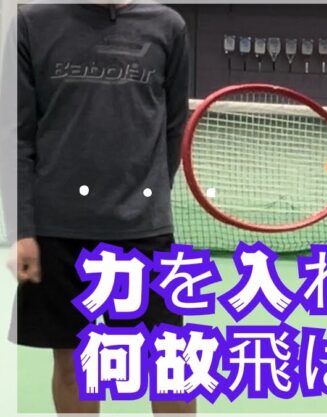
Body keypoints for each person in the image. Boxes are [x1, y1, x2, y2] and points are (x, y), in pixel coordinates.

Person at [8, 1, 193, 414]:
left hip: (144, 234)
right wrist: (23, 229)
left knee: (170, 367)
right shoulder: (32, 24)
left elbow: (173, 125)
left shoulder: (168, 26)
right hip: (58, 233)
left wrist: (147, 198)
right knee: (74, 368)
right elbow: (18, 135)